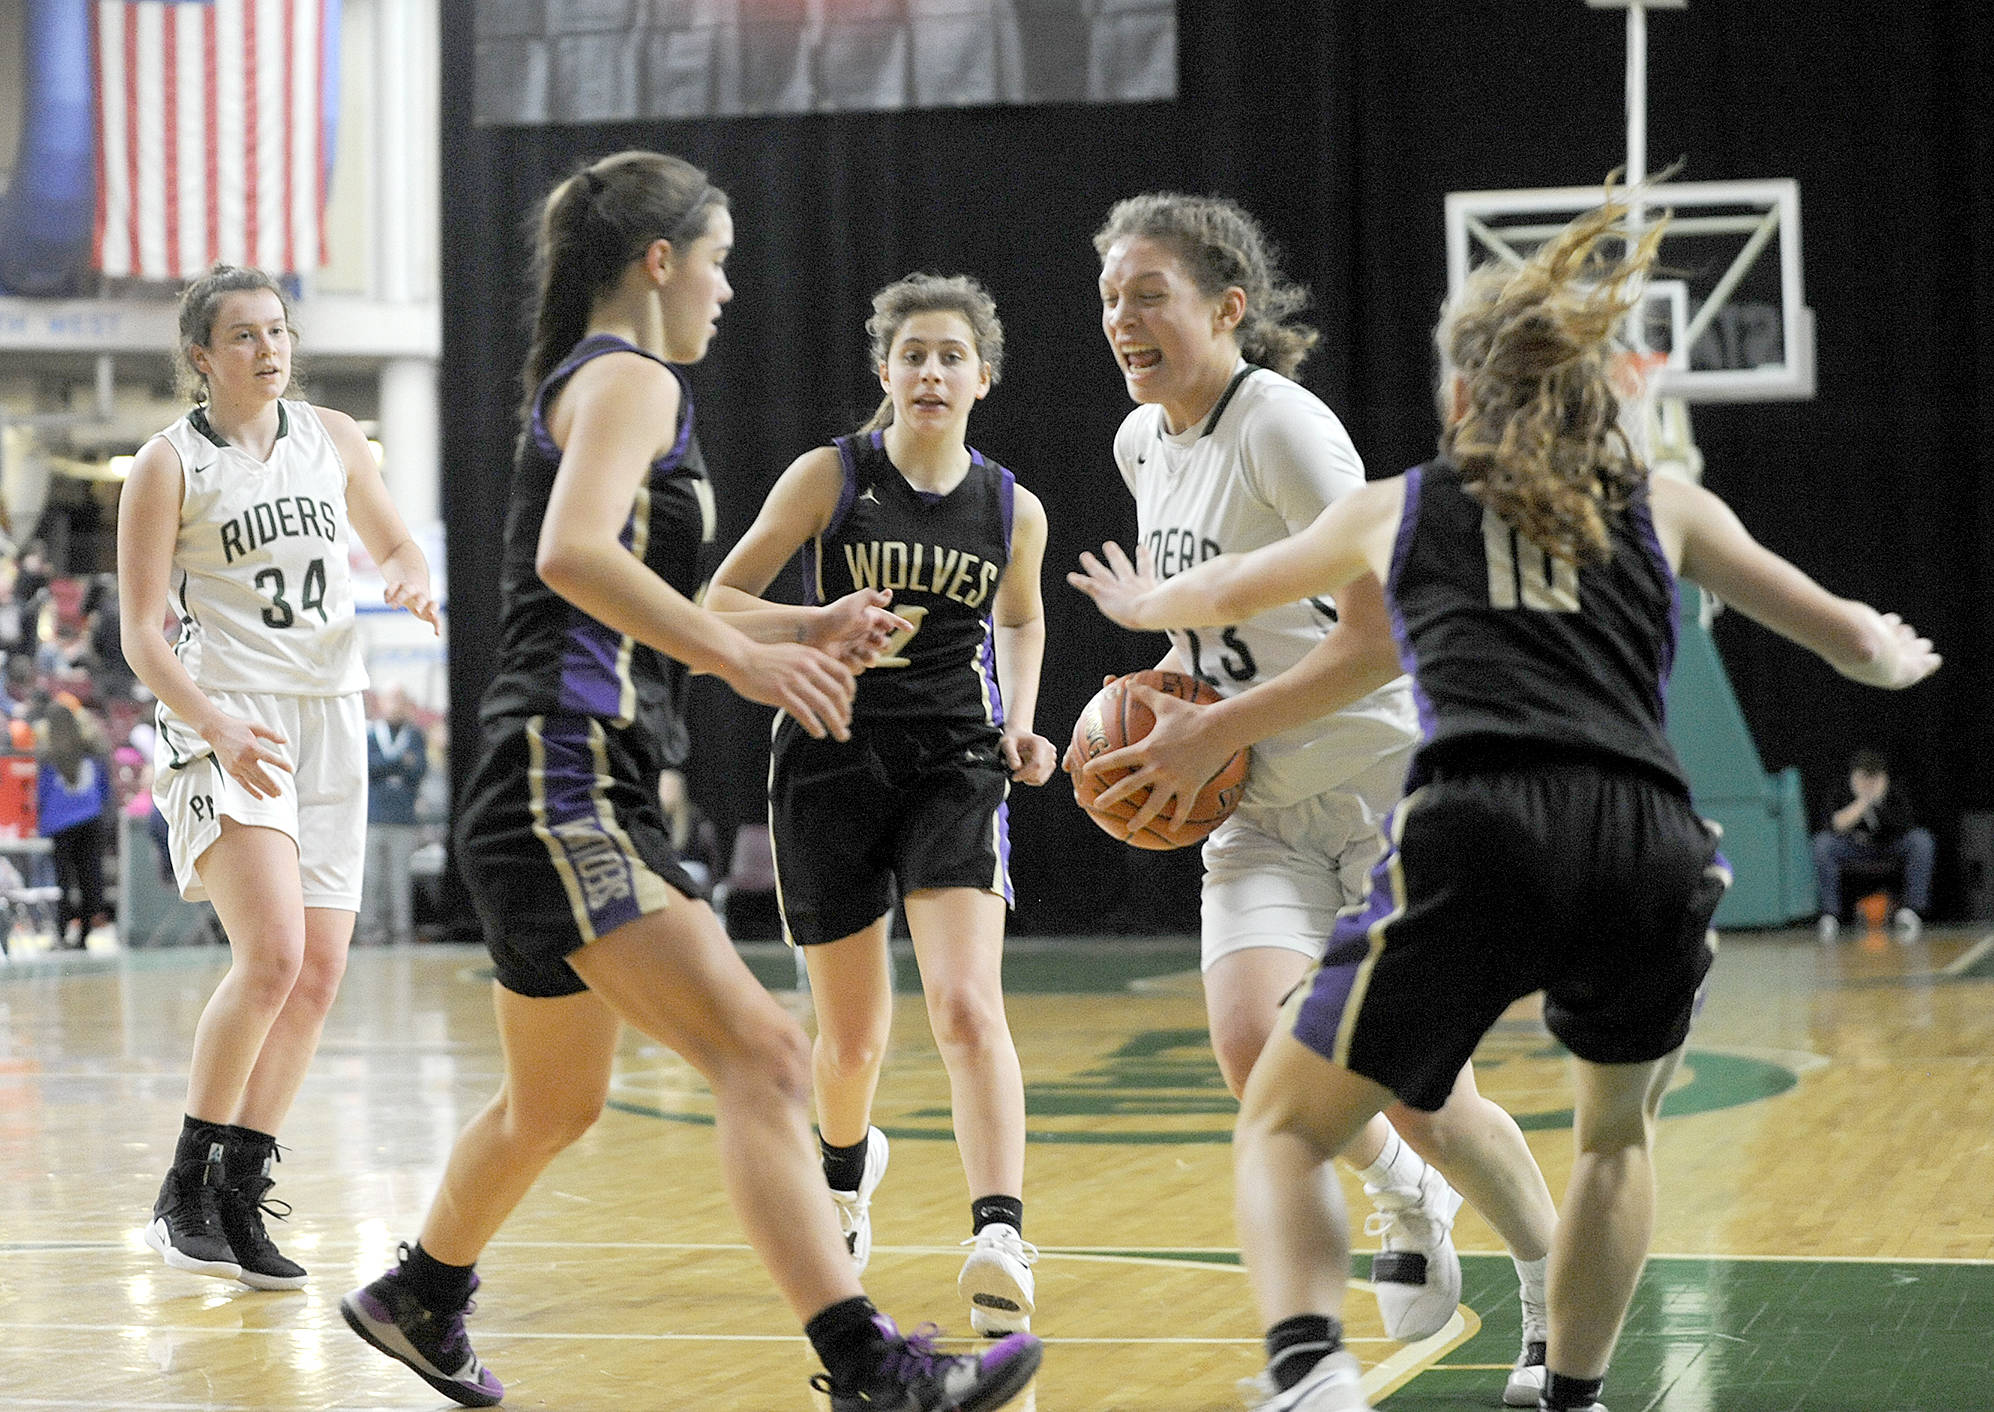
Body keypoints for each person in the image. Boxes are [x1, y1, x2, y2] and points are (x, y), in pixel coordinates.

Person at [1071, 191, 1940, 1412]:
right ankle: (1571, 1389)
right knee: (1612, 1140)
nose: (1120, 315)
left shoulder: (1401, 496)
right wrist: (1894, 653)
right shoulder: (1664, 501)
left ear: (1462, 399)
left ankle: (1309, 1368)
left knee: (1286, 1119)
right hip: (1649, 843)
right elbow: (1841, 632)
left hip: (1462, 817)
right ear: (1603, 392)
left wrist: (1142, 617)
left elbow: (1246, 582)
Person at [339, 152, 1040, 1411]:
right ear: (659, 262)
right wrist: (739, 655)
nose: (727, 288)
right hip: (565, 777)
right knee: (772, 1057)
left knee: (553, 1104)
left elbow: (620, 592)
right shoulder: (629, 378)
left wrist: (798, 628)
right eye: (716, 259)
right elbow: (571, 556)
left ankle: (418, 1292)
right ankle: (868, 1363)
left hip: (551, 780)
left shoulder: (611, 380)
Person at [1074, 191, 1557, 1398]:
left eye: (1148, 294)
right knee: (1251, 1047)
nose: (1121, 318)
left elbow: (1380, 635)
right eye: (1108, 297)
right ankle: (1403, 1192)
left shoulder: (1284, 430)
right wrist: (1142, 711)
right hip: (1256, 802)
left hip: (1385, 793)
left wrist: (1207, 731)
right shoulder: (1143, 443)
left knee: (1424, 1083)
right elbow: (1216, 626)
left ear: (1226, 307)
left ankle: (1552, 1281)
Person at [707, 272, 1057, 1337]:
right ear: (885, 372)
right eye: (913, 354)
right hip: (827, 753)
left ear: (982, 376)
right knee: (850, 1040)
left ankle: (998, 1227)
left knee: (964, 1003)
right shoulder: (830, 476)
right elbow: (716, 603)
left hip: (954, 757)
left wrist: (1021, 723)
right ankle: (847, 1175)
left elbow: (1023, 619)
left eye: (952, 355)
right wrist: (815, 622)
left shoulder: (1011, 506)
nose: (931, 371)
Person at [116, 263, 441, 1290]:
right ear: (201, 356)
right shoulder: (166, 464)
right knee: (272, 955)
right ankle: (183, 1188)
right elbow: (139, 630)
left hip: (330, 717)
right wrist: (211, 718)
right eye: (245, 335)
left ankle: (239, 1190)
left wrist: (406, 573)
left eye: (279, 330)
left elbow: (392, 537)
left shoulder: (336, 436)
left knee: (318, 974)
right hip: (228, 718)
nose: (270, 349)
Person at [1812, 748, 1933, 942]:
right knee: (1822, 844)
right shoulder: (1840, 791)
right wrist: (1862, 803)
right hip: (1853, 849)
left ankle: (1912, 911)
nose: (1868, 783)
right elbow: (1834, 825)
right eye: (1863, 778)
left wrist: (1878, 804)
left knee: (1921, 840)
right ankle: (1830, 915)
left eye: (1873, 778)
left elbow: (1906, 826)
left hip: (1889, 848)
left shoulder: (1894, 793)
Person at [35, 700, 112, 949]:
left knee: (62, 882)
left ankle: (60, 933)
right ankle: (84, 936)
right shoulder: (92, 750)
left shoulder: (48, 757)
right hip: (91, 821)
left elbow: (43, 794)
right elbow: (104, 788)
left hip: (60, 826)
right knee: (90, 879)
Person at [360, 684, 428, 945]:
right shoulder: (370, 734)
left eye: (401, 700)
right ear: (382, 704)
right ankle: (369, 930)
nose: (395, 706)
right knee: (371, 877)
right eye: (391, 699)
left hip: (403, 818)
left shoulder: (415, 736)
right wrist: (399, 763)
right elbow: (367, 767)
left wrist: (387, 767)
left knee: (400, 878)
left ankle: (401, 930)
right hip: (373, 818)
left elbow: (418, 770)